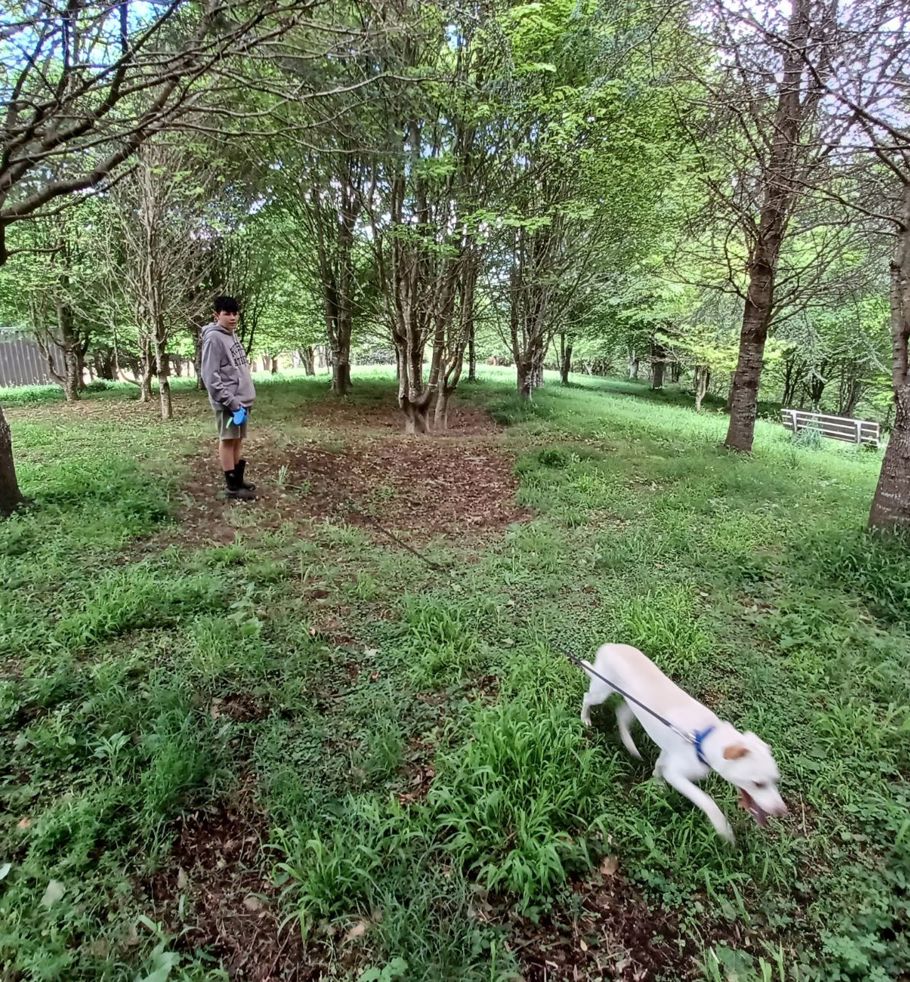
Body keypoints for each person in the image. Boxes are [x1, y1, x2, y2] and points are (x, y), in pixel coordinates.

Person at [200, 296, 257, 500]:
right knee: (227, 440)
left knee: (237, 439)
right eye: (227, 313)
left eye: (235, 313)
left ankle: (238, 480)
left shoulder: (232, 335)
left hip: (242, 401)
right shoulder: (213, 338)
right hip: (229, 403)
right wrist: (231, 402)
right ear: (217, 315)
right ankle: (232, 487)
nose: (232, 317)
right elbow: (210, 376)